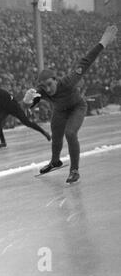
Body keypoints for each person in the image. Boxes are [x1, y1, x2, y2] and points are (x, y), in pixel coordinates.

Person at [23, 25, 118, 183]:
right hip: (60, 111)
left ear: (55, 79)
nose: (48, 89)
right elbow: (29, 107)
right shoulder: (41, 90)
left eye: (49, 84)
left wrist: (102, 43)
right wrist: (27, 102)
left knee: (70, 133)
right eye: (44, 85)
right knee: (56, 136)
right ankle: (55, 161)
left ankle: (74, 170)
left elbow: (85, 61)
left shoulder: (68, 82)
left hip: (77, 107)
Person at [0, 75, 51, 148]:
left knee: (27, 122)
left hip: (13, 106)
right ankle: (3, 142)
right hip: (4, 108)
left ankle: (44, 132)